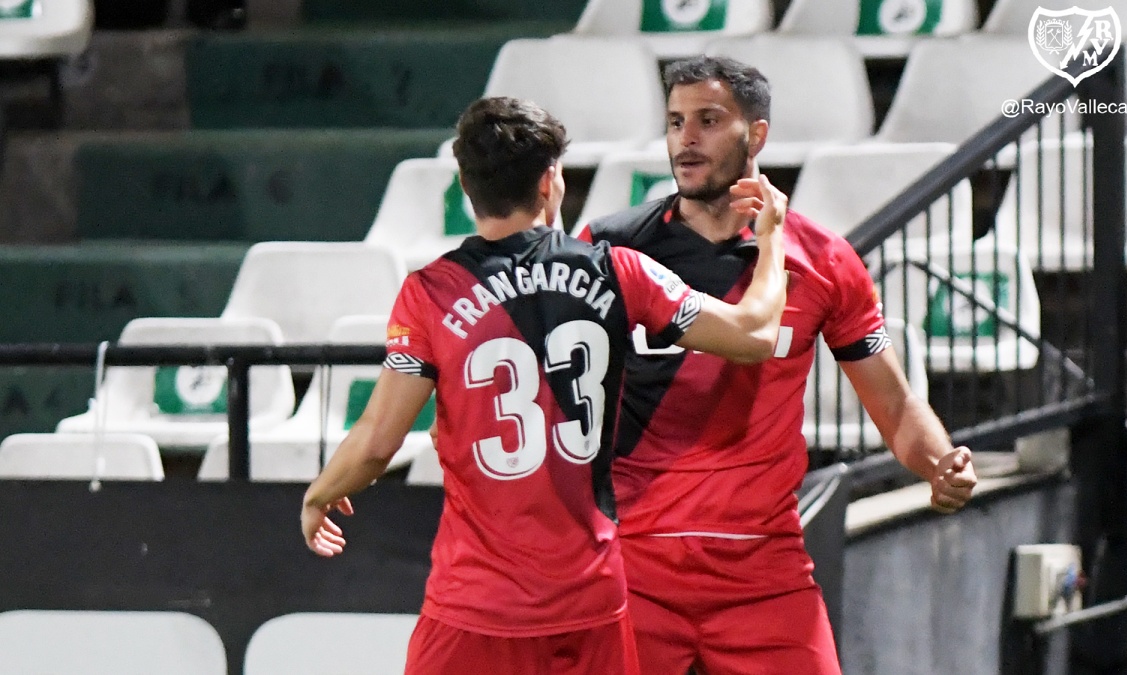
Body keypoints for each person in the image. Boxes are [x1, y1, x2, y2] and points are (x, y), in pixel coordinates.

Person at [300, 95, 794, 675]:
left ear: (464, 183)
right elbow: (754, 334)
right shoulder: (619, 270)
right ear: (549, 182)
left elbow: (379, 442)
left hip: (475, 607)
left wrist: (319, 495)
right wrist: (772, 237)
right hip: (590, 601)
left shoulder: (432, 292)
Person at [577, 56, 980, 675]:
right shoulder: (608, 248)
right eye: (676, 121)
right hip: (636, 564)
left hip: (764, 572)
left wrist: (938, 464)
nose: (686, 138)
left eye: (708, 120)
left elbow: (895, 405)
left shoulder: (825, 261)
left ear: (756, 135)